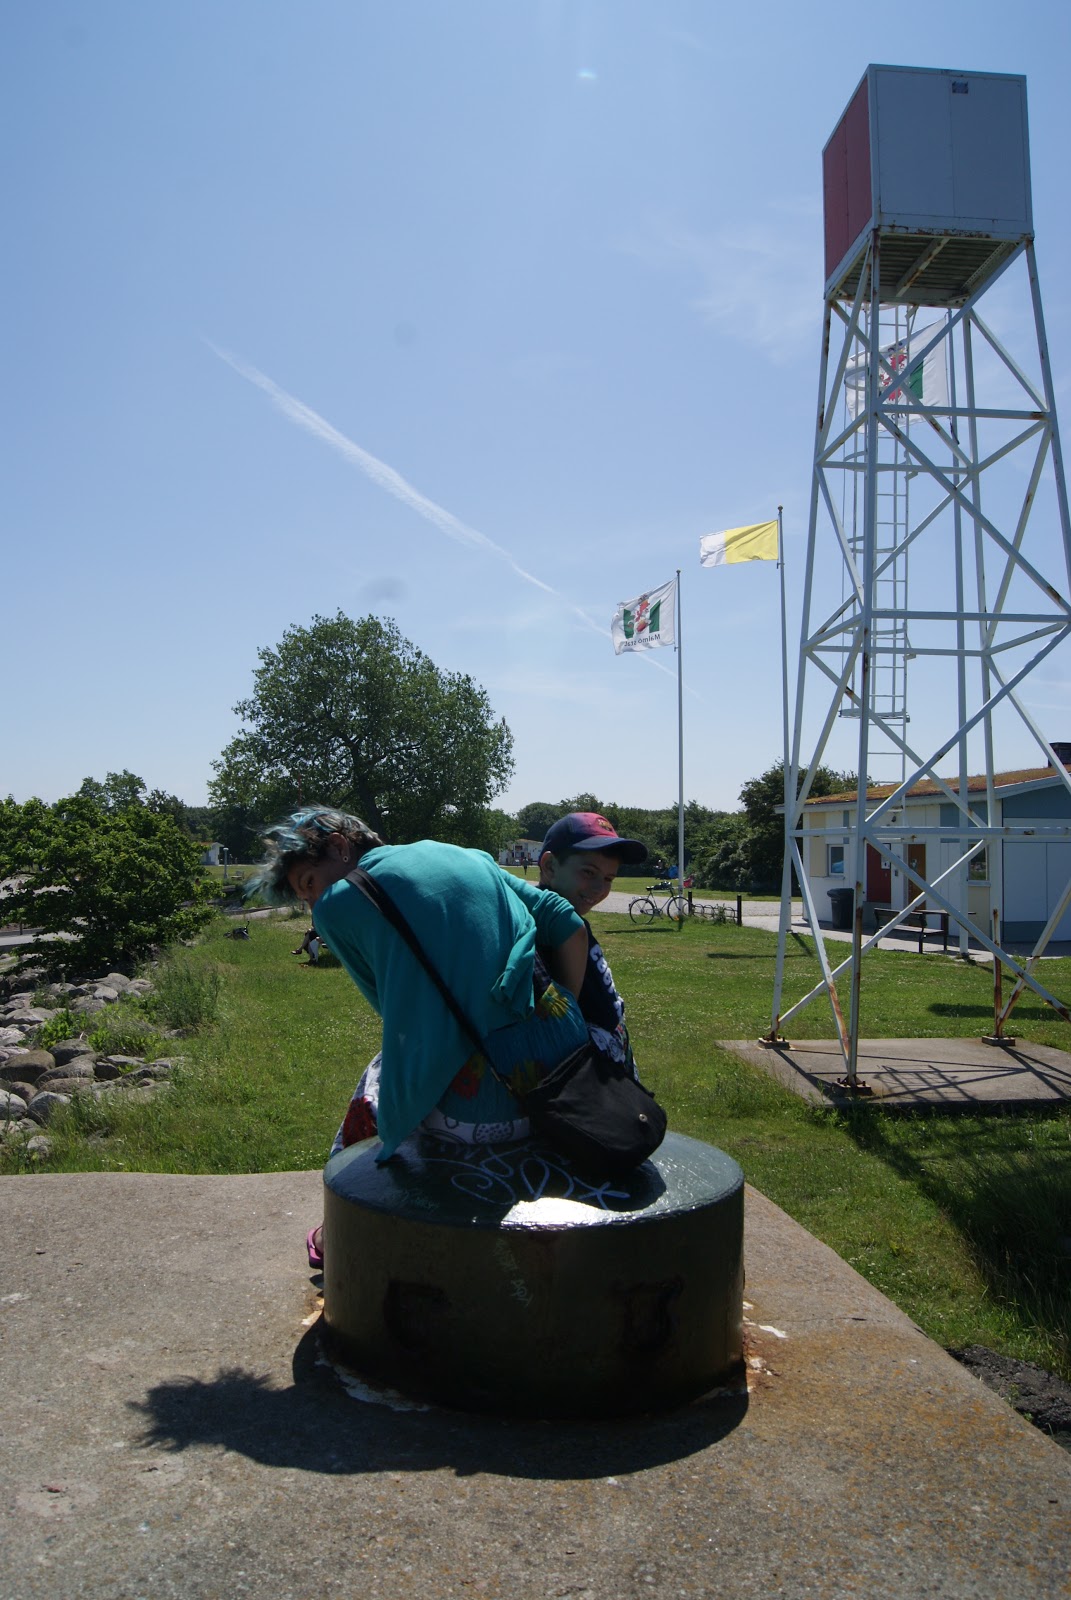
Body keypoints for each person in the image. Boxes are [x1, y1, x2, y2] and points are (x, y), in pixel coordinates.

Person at [248, 807, 590, 1267]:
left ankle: (340, 1231)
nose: (314, 904)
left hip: (480, 1113)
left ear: (340, 847)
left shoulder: (336, 906)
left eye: (309, 884)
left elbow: (399, 1021)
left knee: (373, 1085)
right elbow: (568, 924)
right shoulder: (467, 855)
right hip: (564, 1081)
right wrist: (555, 1016)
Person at [536, 812, 646, 1077]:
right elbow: (559, 1016)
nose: (599, 888)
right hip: (587, 1072)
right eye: (588, 872)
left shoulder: (568, 921)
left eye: (609, 878)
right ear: (550, 867)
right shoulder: (547, 928)